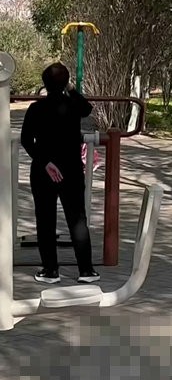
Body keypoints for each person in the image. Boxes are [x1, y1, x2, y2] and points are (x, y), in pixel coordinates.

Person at [21, 62, 100, 285]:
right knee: (77, 219)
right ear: (65, 83)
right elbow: (87, 108)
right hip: (71, 170)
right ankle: (86, 270)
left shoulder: (35, 109)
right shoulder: (73, 105)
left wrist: (45, 162)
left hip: (43, 171)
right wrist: (71, 88)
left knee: (45, 219)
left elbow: (26, 140)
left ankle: (50, 270)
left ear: (44, 84)